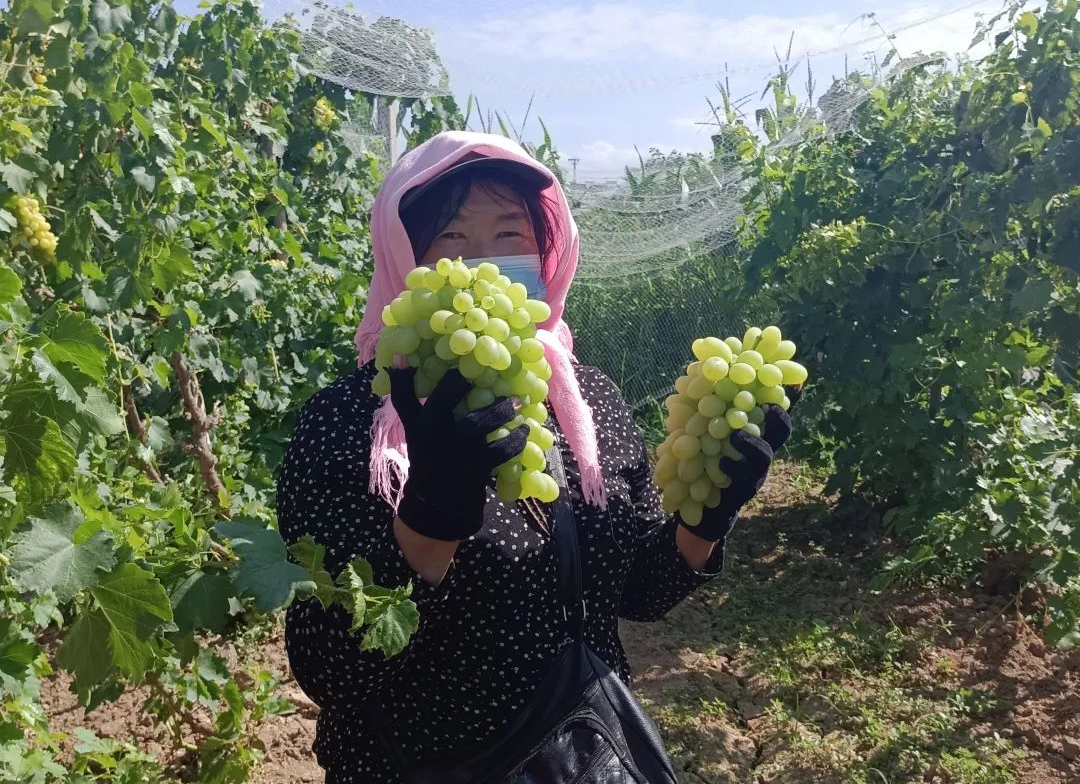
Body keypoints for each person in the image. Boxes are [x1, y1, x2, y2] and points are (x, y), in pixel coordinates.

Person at [277, 130, 793, 782]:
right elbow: (329, 667)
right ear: (403, 253)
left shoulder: (588, 403)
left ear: (548, 248)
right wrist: (426, 523)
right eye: (453, 238)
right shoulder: (351, 421)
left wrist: (706, 520)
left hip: (580, 757)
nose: (485, 263)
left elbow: (634, 591)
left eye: (510, 235)